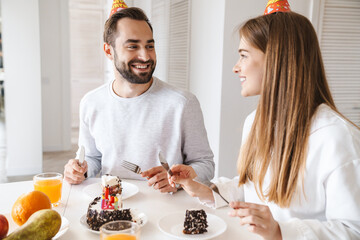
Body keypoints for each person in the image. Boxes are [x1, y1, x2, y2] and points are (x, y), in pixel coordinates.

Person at [168, 7, 360, 240]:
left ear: (277, 60)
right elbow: (252, 190)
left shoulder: (336, 137)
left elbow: (352, 230)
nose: (236, 67)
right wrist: (205, 190)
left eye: (244, 55)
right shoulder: (255, 122)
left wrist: (281, 231)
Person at [64, 5, 214, 193]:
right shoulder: (91, 102)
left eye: (149, 46)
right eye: (133, 46)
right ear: (109, 51)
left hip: (167, 209)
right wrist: (79, 171)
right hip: (112, 206)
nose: (145, 56)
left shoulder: (182, 103)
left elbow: (205, 164)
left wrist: (181, 179)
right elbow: (93, 159)